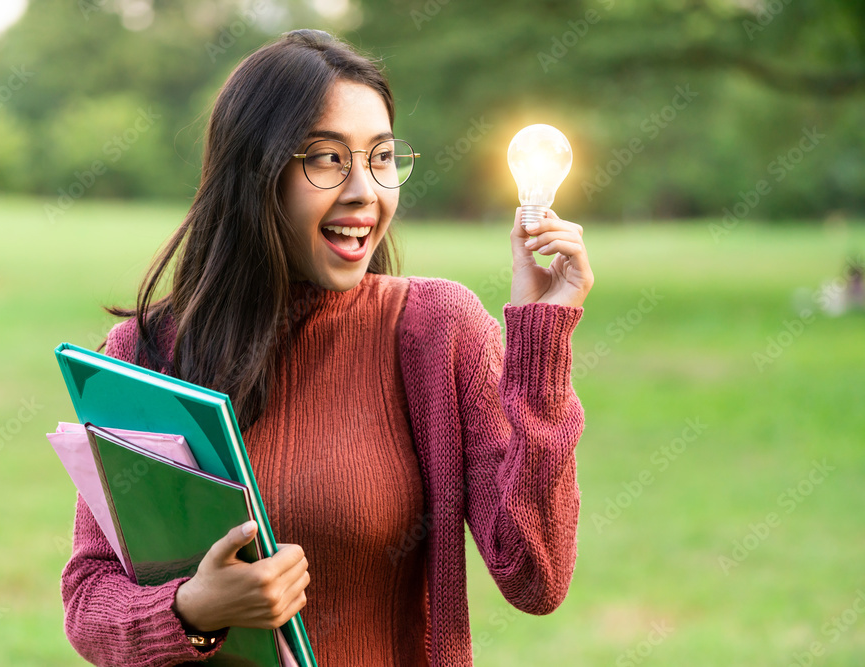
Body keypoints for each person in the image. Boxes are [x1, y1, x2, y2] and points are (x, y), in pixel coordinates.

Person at [60, 28, 594, 667]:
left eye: (382, 157)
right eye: (326, 158)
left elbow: (535, 577)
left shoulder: (434, 331)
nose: (365, 192)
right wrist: (196, 608)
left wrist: (540, 345)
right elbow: (89, 605)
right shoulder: (144, 354)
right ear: (255, 174)